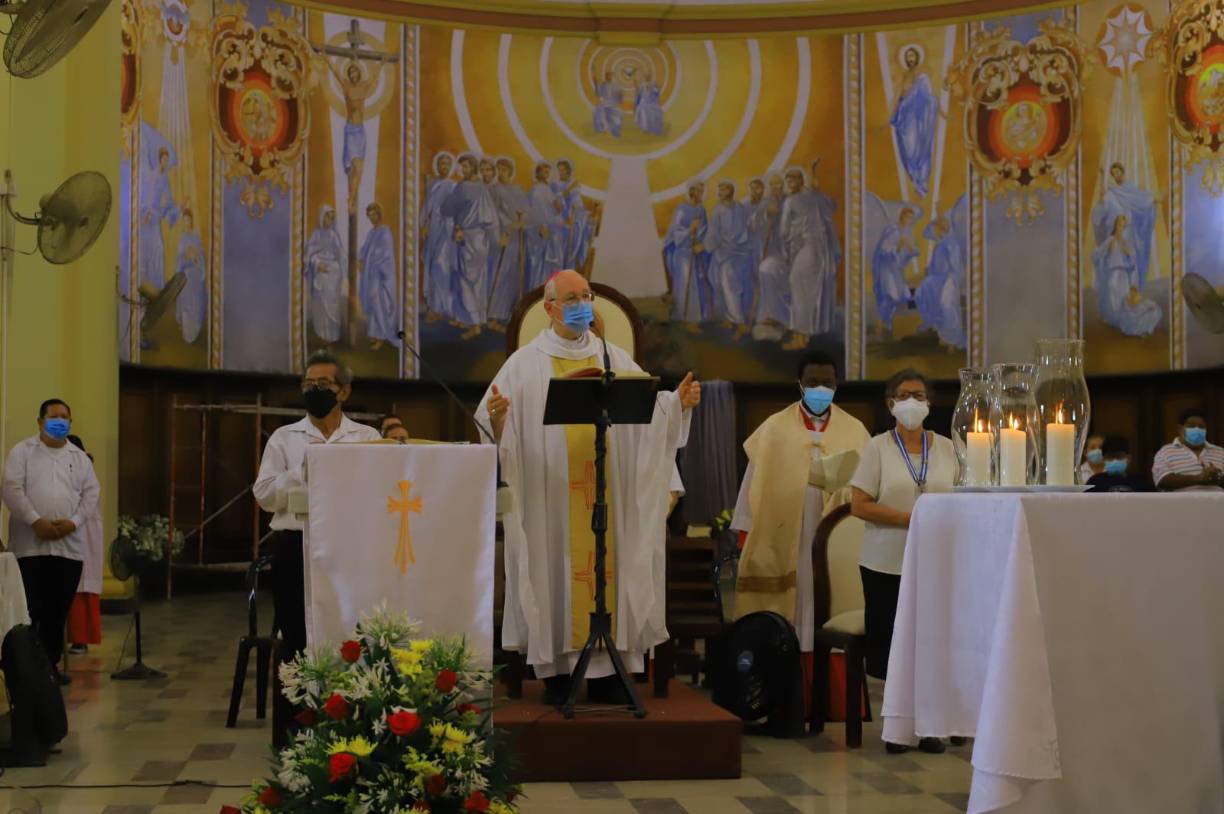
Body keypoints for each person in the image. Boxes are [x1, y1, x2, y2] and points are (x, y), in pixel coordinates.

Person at [476, 269, 700, 706]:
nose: (583, 305)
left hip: (608, 490)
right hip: (553, 493)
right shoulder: (524, 363)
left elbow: (649, 413)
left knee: (611, 564)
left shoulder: (613, 357)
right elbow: (493, 422)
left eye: (587, 295)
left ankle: (611, 666)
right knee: (555, 567)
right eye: (573, 297)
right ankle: (561, 669)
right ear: (550, 307)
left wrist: (677, 406)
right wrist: (500, 421)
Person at [731, 352, 870, 678]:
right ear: (799, 384)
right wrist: (746, 535)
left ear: (837, 385)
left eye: (828, 382)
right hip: (784, 539)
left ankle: (830, 697)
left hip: (836, 542)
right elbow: (753, 486)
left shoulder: (856, 431)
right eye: (812, 383)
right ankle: (787, 696)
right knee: (788, 614)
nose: (820, 388)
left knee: (829, 605)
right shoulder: (774, 430)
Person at [849, 369, 958, 754]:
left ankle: (931, 727)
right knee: (893, 648)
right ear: (891, 403)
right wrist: (910, 519)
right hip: (886, 562)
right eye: (904, 395)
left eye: (920, 395)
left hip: (939, 563)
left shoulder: (947, 447)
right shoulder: (878, 448)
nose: (913, 402)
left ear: (930, 403)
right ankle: (896, 726)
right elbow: (858, 504)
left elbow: (965, 497)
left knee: (933, 644)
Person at [253, 351, 381, 658]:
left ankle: (348, 700)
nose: (315, 390)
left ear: (344, 391)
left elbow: (380, 493)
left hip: (352, 549)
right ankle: (297, 703)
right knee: (297, 637)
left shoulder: (367, 437)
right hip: (296, 546)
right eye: (308, 384)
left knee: (352, 633)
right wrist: (303, 471)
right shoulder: (285, 438)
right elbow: (264, 495)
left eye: (323, 383)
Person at [2, 399, 101, 684]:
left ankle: (49, 668)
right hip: (29, 547)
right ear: (40, 421)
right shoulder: (23, 452)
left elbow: (91, 495)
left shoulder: (78, 458)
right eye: (54, 417)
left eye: (65, 417)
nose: (60, 422)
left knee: (57, 612)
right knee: (31, 609)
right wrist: (36, 520)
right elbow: (11, 488)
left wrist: (73, 522)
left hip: (67, 549)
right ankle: (26, 672)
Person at [781, 165, 841, 350]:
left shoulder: (809, 197)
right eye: (788, 179)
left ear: (801, 181)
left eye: (794, 179)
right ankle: (804, 335)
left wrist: (818, 190)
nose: (790, 182)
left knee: (799, 285)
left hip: (813, 246)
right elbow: (785, 230)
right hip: (809, 246)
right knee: (804, 289)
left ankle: (801, 336)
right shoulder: (795, 200)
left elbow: (832, 206)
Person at [443, 155, 499, 340]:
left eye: (465, 167)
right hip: (481, 239)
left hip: (467, 238)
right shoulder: (482, 188)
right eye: (461, 167)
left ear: (472, 168)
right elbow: (491, 218)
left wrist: (458, 224)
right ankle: (465, 318)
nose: (462, 170)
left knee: (465, 281)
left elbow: (447, 209)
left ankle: (474, 324)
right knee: (477, 280)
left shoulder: (463, 187)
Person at [64, 434, 104, 655]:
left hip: (82, 533)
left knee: (80, 585)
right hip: (68, 532)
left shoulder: (83, 470)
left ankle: (80, 638)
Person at [705, 180, 754, 333]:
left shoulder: (739, 207)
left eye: (723, 189)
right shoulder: (718, 209)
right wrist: (708, 245)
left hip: (737, 253)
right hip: (722, 252)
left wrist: (712, 245)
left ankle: (738, 320)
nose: (719, 193)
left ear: (730, 191)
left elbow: (740, 231)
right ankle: (729, 317)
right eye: (719, 190)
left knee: (729, 282)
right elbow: (714, 231)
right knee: (717, 281)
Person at [663, 181, 710, 329]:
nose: (700, 194)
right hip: (682, 253)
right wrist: (690, 230)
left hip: (694, 252)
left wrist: (699, 241)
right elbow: (675, 231)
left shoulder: (701, 210)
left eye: (702, 192)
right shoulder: (681, 209)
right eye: (698, 191)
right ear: (691, 192)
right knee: (686, 285)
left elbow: (704, 229)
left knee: (695, 284)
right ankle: (688, 319)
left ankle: (689, 317)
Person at [421, 151, 459, 324]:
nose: (443, 166)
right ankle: (434, 307)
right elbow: (426, 207)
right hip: (435, 229)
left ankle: (442, 307)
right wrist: (421, 225)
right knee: (431, 266)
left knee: (441, 266)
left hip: (447, 229)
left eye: (446, 163)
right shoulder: (434, 184)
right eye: (441, 163)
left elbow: (457, 210)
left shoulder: (453, 186)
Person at [358, 202, 400, 350]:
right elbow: (364, 249)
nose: (371, 218)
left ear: (379, 214)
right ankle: (374, 333)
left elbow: (386, 253)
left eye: (374, 214)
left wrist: (372, 259)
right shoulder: (371, 232)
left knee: (379, 303)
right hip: (371, 273)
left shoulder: (385, 231)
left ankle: (382, 336)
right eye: (369, 215)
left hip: (381, 274)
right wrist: (361, 259)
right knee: (373, 303)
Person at [1152, 408, 1224, 491]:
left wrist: (1217, 476)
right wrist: (1199, 478)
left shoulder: (1220, 452)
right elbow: (1162, 481)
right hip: (1181, 503)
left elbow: (1220, 479)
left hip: (1216, 503)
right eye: (1192, 426)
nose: (1197, 429)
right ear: (1180, 429)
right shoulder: (1165, 452)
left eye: (1201, 426)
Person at [305, 204, 347, 345]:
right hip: (319, 272)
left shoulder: (334, 235)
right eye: (327, 217)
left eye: (331, 219)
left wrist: (339, 266)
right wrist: (317, 263)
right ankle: (321, 334)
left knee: (332, 305)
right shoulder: (316, 234)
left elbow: (340, 254)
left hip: (332, 274)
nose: (329, 221)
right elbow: (309, 254)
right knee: (320, 305)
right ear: (322, 218)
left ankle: (332, 336)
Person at [174, 207, 207, 345]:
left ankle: (196, 326)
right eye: (185, 220)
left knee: (197, 293)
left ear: (192, 220)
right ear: (183, 221)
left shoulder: (196, 236)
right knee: (186, 288)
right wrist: (187, 257)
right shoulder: (182, 238)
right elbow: (179, 260)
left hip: (196, 273)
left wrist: (196, 258)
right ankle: (188, 330)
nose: (187, 222)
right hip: (187, 273)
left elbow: (201, 256)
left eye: (189, 220)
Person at [1087, 436, 1153, 492]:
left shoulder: (1141, 482)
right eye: (1110, 457)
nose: (1115, 460)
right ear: (1104, 459)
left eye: (1119, 457)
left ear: (1128, 458)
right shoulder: (1095, 482)